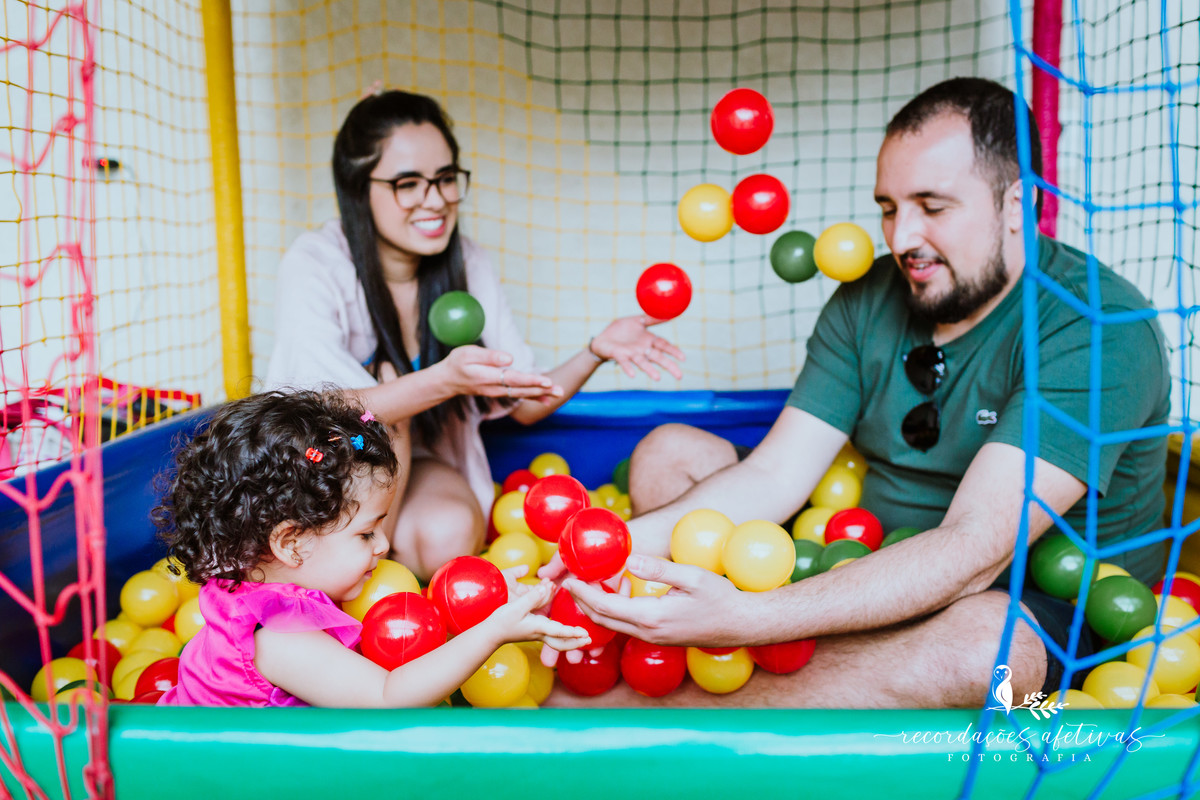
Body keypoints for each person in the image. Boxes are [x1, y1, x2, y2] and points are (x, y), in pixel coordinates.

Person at [547, 77, 1170, 708]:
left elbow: (975, 550)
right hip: (853, 556)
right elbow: (771, 476)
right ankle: (773, 671)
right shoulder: (868, 297)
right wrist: (602, 553)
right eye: (890, 208)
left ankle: (631, 709)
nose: (901, 239)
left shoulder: (1096, 327)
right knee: (667, 452)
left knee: (986, 651)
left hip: (1035, 597)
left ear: (1018, 203)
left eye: (933, 206)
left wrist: (750, 620)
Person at [265, 89, 684, 581]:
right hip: (317, 465)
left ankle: (381, 584)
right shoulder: (314, 263)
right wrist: (442, 381)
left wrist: (596, 350)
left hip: (413, 468)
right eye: (408, 183)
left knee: (448, 534)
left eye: (445, 179)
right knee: (382, 416)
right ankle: (347, 584)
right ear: (359, 188)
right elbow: (322, 412)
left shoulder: (469, 262)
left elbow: (526, 404)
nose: (436, 200)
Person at [155, 390, 589, 707]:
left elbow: (407, 633)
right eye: (365, 534)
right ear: (291, 544)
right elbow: (388, 696)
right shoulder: (278, 642)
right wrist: (491, 632)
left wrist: (477, 605)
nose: (384, 546)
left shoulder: (259, 582)